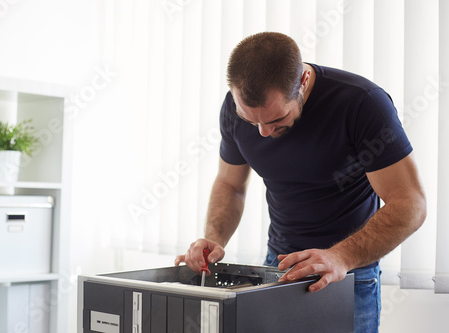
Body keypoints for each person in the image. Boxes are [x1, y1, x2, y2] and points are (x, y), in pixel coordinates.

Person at [174, 32, 426, 332]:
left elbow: (410, 203)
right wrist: (214, 238)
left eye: (276, 120)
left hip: (348, 274)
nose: (263, 133)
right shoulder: (233, 107)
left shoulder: (362, 104)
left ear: (304, 81)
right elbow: (231, 184)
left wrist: (340, 257)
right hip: (278, 267)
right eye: (250, 120)